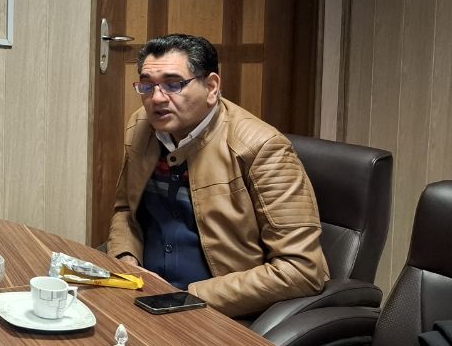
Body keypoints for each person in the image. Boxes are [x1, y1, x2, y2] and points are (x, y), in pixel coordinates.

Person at [106, 34, 328, 318]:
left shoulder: (262, 148)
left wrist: (187, 296)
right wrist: (126, 262)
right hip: (143, 296)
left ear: (211, 87)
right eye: (147, 85)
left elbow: (303, 270)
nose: (157, 98)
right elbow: (125, 210)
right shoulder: (141, 125)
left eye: (174, 84)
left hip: (217, 311)